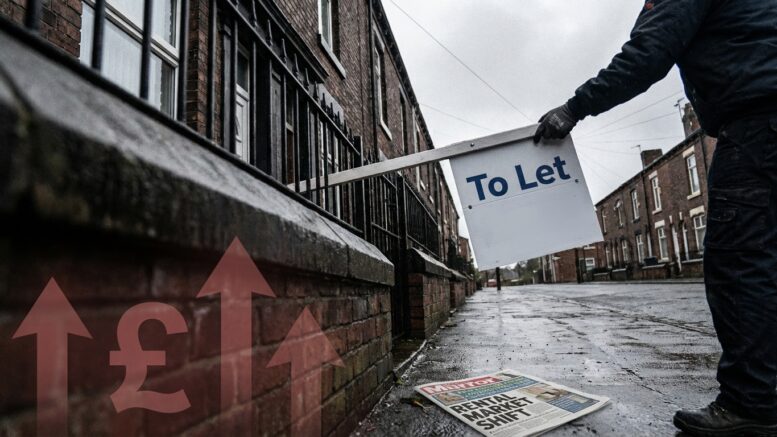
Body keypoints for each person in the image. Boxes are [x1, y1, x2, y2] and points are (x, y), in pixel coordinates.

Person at [533, 1, 777, 435]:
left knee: (741, 264)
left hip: (758, 125)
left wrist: (574, 108)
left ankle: (753, 403)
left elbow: (649, 52)